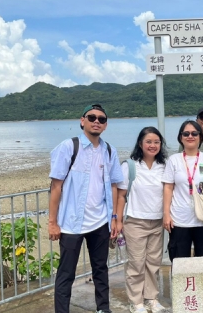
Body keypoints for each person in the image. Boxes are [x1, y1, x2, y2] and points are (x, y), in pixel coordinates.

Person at [48, 103, 123, 313]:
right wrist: (52, 223)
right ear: (83, 121)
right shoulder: (68, 147)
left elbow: (115, 185)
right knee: (66, 274)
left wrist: (115, 218)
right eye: (92, 117)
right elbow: (56, 186)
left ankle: (103, 309)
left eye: (101, 119)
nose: (96, 121)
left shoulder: (109, 150)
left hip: (100, 221)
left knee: (101, 269)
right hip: (71, 223)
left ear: (106, 125)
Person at [116, 127, 168, 313]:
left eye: (156, 142)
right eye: (148, 142)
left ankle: (151, 299)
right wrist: (118, 220)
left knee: (153, 263)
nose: (152, 145)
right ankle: (136, 301)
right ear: (140, 143)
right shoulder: (130, 166)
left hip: (157, 222)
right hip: (135, 222)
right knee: (136, 263)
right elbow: (121, 195)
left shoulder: (164, 165)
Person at [163, 120, 203, 261]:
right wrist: (166, 214)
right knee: (180, 264)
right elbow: (168, 188)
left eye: (194, 133)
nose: (190, 136)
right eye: (186, 133)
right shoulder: (174, 160)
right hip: (179, 220)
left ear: (200, 137)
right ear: (180, 137)